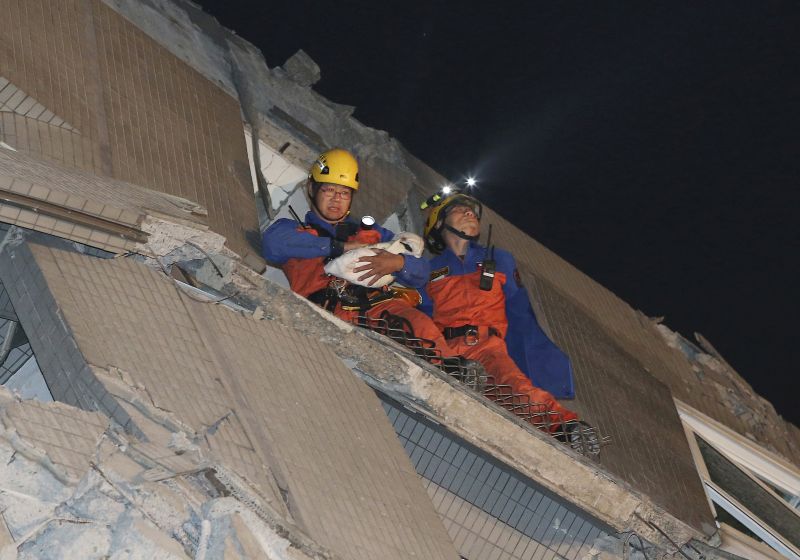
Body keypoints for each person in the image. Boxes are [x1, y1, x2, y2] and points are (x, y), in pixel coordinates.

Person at [261, 148, 453, 358]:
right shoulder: (293, 231)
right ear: (312, 189)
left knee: (421, 327)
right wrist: (340, 247)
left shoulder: (372, 233)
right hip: (329, 318)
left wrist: (398, 263)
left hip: (381, 312)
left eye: (344, 193)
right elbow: (272, 244)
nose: (336, 199)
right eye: (329, 190)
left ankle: (455, 374)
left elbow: (423, 271)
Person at [420, 189, 582, 432]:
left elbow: (521, 313)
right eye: (458, 209)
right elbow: (422, 316)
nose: (469, 213)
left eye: (472, 211)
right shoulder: (427, 270)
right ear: (440, 222)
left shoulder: (499, 259)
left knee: (515, 386)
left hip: (489, 347)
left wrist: (541, 360)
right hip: (447, 351)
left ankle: (564, 427)